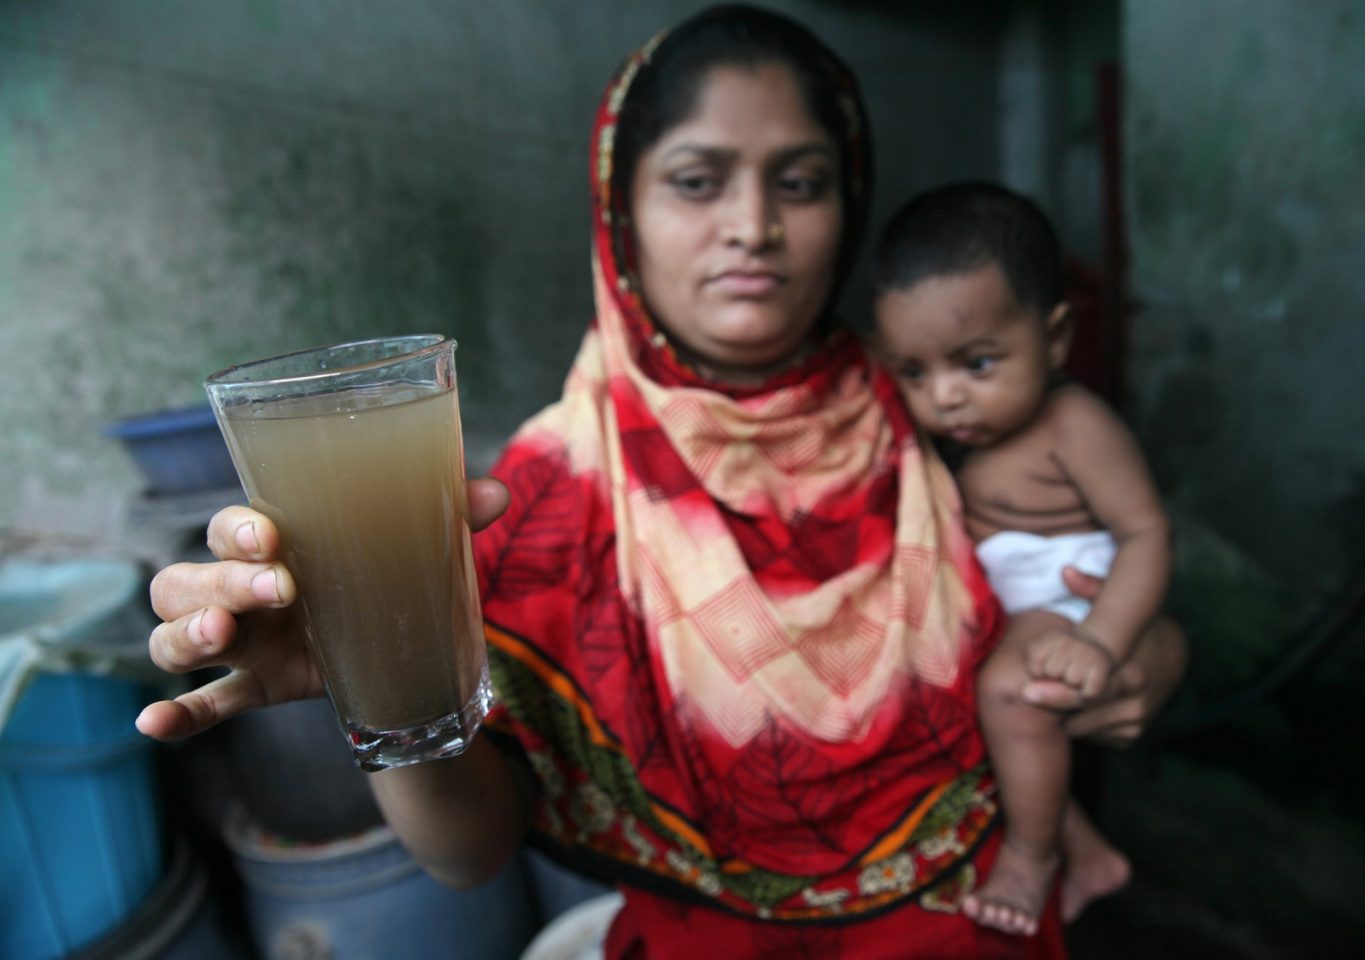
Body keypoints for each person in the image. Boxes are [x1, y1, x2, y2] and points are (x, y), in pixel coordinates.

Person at [141, 8, 1185, 957]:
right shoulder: (549, 494)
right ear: (620, 212)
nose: (754, 226)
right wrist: (377, 686)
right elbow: (470, 855)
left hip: (976, 926)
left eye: (801, 180)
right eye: (697, 179)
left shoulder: (928, 405)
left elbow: (1081, 569)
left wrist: (1148, 655)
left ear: (849, 201)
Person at [871, 181, 1175, 936]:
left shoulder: (1073, 424)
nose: (946, 397)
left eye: (977, 364)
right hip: (1012, 605)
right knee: (983, 718)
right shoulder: (947, 439)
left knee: (1011, 697)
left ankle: (1035, 857)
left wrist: (1101, 639)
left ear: (1058, 338)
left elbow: (1146, 534)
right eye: (915, 373)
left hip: (1068, 600)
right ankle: (1092, 852)